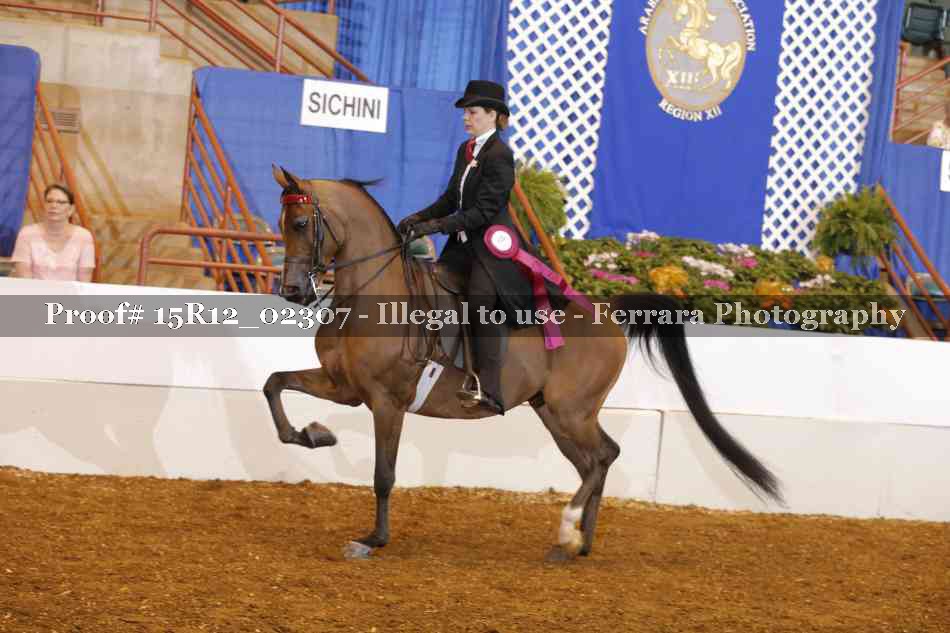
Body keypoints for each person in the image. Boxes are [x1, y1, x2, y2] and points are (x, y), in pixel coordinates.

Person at [397, 80, 553, 415]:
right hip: (463, 248)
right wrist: (418, 217)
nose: (466, 118)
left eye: (473, 112)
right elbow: (451, 198)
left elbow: (483, 211)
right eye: (466, 112)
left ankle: (491, 388)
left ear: (493, 115)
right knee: (427, 282)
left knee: (482, 302)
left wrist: (436, 227)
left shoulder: (500, 155)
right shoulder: (465, 150)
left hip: (491, 251)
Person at [12, 184, 95, 282]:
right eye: (49, 201)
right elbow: (24, 280)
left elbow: (84, 281)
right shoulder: (26, 234)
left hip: (70, 291)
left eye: (61, 202)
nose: (54, 206)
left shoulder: (83, 236)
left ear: (71, 209)